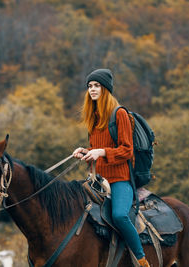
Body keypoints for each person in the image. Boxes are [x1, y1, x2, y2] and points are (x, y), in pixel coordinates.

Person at [73, 69, 150, 267]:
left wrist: (101, 153)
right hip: (98, 180)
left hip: (119, 180)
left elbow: (126, 150)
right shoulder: (94, 118)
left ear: (106, 89)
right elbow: (98, 147)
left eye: (96, 85)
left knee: (119, 215)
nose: (92, 89)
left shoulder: (120, 114)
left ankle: (141, 259)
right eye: (89, 86)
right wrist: (86, 151)